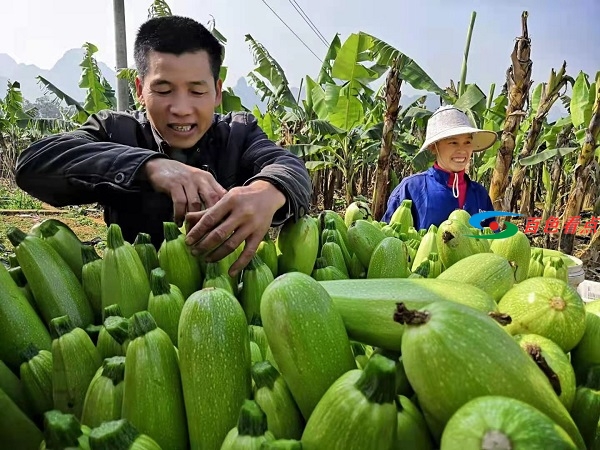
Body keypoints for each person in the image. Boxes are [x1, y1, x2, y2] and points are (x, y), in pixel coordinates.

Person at [14, 15, 312, 277]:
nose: (181, 109)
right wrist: (148, 166)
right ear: (140, 90)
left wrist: (268, 190)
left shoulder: (239, 131)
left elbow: (289, 167)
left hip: (231, 294)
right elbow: (33, 163)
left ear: (217, 91)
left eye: (197, 91)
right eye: (164, 90)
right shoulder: (114, 130)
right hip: (136, 299)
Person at [382, 105, 497, 229]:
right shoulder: (410, 189)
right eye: (453, 142)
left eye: (467, 142)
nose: (462, 150)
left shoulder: (480, 194)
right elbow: (388, 235)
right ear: (433, 147)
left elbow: (493, 239)